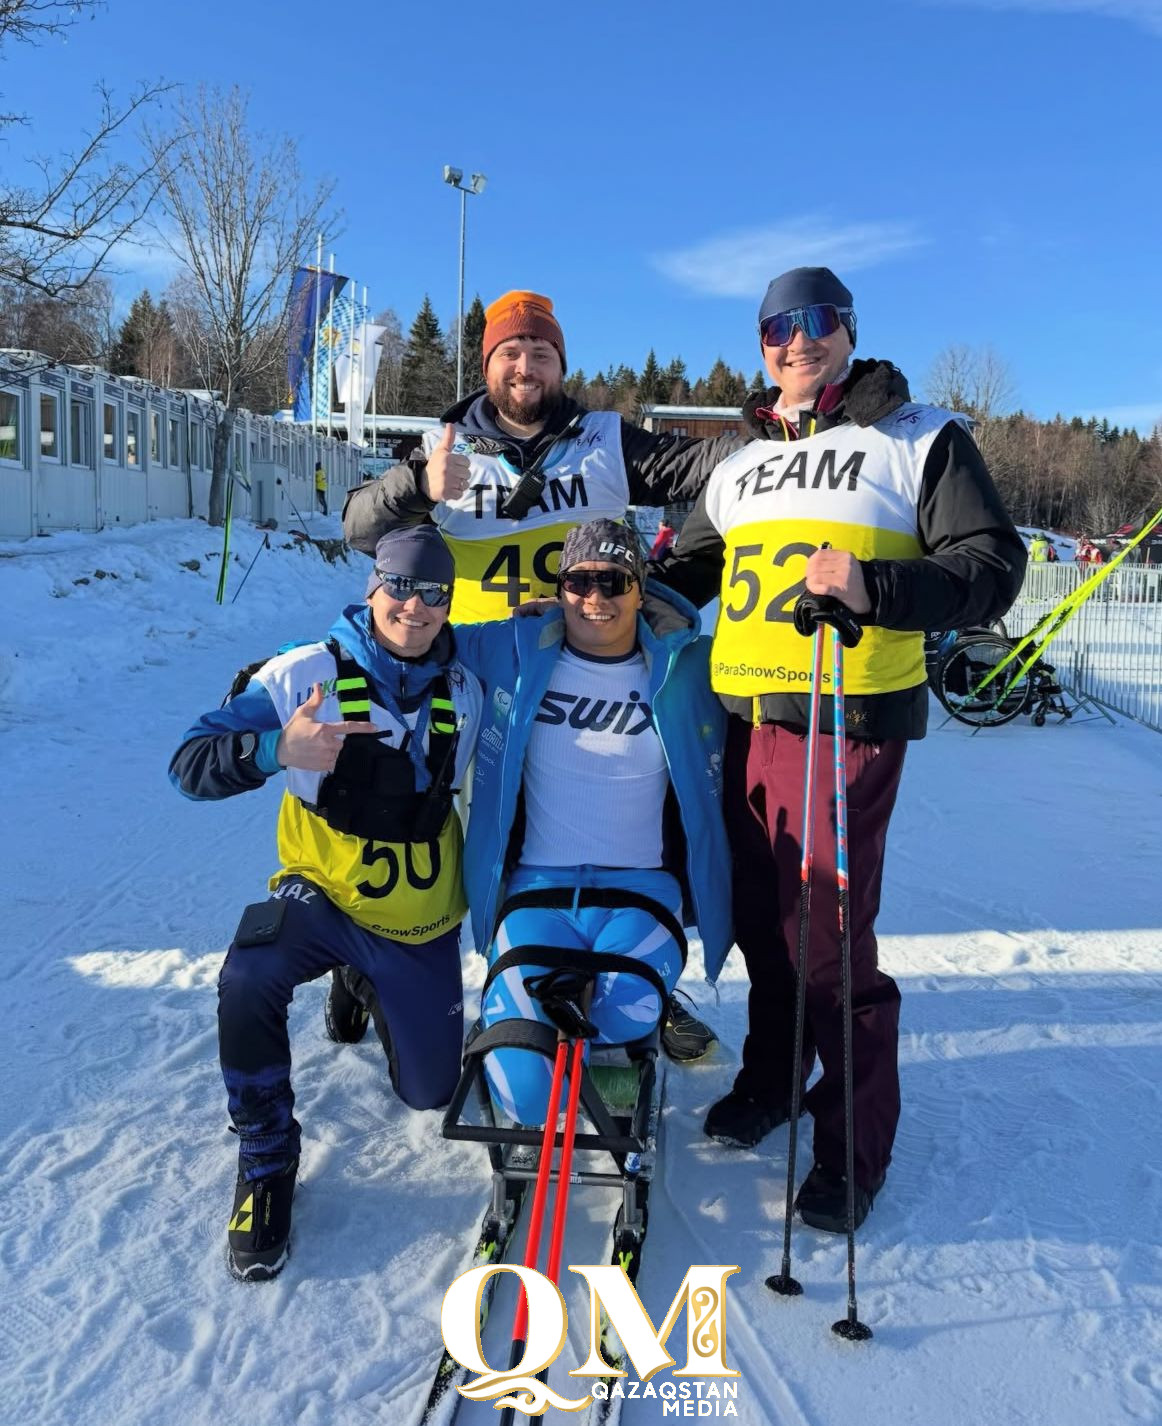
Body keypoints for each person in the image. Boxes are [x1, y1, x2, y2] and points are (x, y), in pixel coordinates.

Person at [653, 266, 1027, 1232]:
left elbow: (992, 566)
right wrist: (601, 589)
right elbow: (686, 571)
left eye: (817, 322)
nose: (797, 341)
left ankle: (853, 1144)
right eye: (778, 327)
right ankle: (774, 1078)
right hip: (744, 726)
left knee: (826, 938)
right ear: (761, 343)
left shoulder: (916, 437)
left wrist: (875, 590)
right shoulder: (738, 463)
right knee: (762, 924)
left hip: (843, 723)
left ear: (848, 331)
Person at [344, 289, 738, 1060]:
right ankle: (372, 961)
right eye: (510, 353)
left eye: (542, 353)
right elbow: (359, 526)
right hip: (467, 668)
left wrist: (774, 440)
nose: (526, 367)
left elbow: (706, 471)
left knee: (594, 810)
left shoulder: (603, 440)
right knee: (418, 821)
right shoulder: (447, 445)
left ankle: (627, 985)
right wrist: (420, 486)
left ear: (562, 363)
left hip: (560, 666)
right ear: (488, 363)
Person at [169, 526, 482, 1280]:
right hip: (322, 892)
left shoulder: (470, 681)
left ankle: (360, 979)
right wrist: (276, 750)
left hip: (417, 916)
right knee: (247, 976)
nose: (414, 607)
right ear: (373, 586)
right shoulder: (305, 670)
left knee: (432, 1092)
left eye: (433, 592)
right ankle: (267, 1156)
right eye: (399, 586)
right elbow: (189, 761)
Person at [451, 518, 732, 1123]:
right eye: (579, 582)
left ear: (641, 587)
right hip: (537, 891)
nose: (596, 599)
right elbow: (408, 635)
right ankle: (520, 1014)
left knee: (620, 1022)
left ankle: (622, 1010)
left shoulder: (690, 667)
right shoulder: (514, 648)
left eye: (614, 581)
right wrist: (291, 675)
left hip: (641, 893)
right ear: (559, 588)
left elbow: (772, 679)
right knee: (528, 1096)